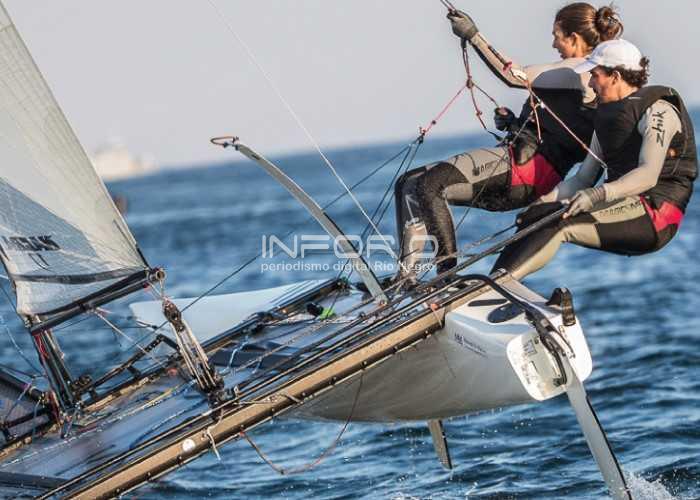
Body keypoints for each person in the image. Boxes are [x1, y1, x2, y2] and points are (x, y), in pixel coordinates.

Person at [394, 3, 623, 280]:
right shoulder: (576, 75)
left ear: (574, 38)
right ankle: (406, 279)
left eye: (557, 36)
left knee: (430, 185)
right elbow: (557, 128)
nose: (553, 44)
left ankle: (446, 278)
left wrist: (473, 35)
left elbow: (513, 75)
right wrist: (514, 123)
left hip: (525, 171)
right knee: (408, 184)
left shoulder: (580, 71)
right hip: (523, 168)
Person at [490, 39, 697, 279]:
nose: (589, 83)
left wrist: (596, 195)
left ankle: (498, 284)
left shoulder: (658, 111)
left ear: (615, 76)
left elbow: (648, 175)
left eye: (595, 75)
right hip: (624, 205)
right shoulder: (608, 119)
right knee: (539, 216)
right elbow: (583, 179)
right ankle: (487, 285)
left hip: (656, 214)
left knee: (561, 225)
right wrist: (539, 205)